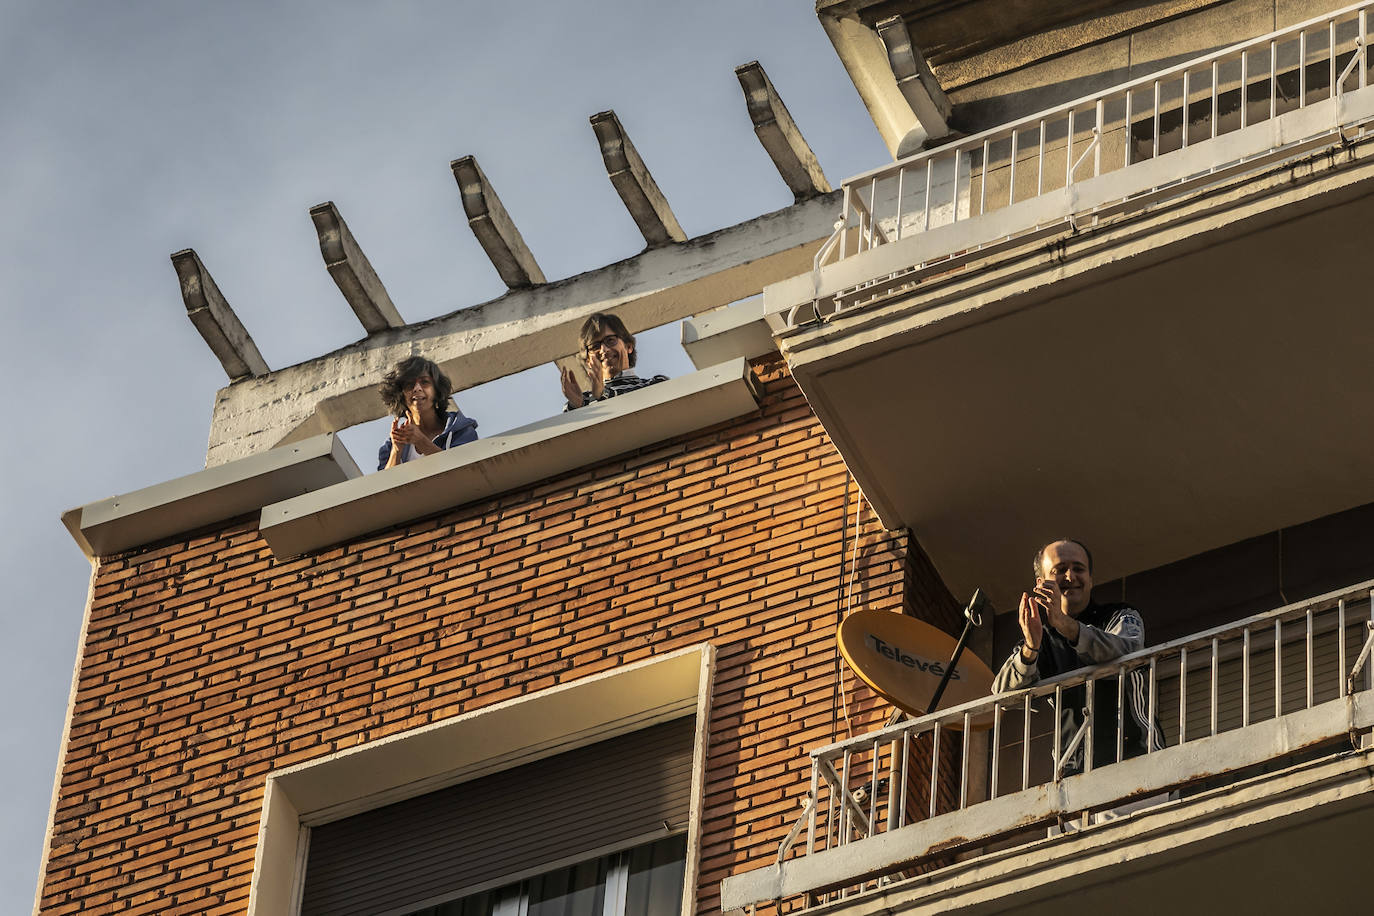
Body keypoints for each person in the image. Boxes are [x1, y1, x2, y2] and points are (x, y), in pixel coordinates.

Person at [993, 538, 1161, 774]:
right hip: (1074, 777)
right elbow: (1002, 696)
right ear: (1041, 584)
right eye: (1060, 570)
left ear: (1091, 580)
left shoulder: (1119, 615)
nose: (1070, 576)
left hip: (1136, 760)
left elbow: (1128, 653)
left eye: (1078, 569)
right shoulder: (1042, 640)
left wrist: (1067, 626)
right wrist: (1030, 649)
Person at [376, 356, 479, 470]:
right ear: (401, 395)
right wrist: (396, 450)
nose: (417, 388)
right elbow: (385, 485)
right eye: (410, 384)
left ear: (436, 390)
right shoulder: (390, 445)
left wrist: (421, 441)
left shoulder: (461, 430)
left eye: (424, 382)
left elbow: (466, 471)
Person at [560, 313, 667, 411]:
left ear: (629, 346)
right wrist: (578, 407)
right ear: (588, 360)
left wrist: (603, 394)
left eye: (610, 340)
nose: (604, 350)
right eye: (595, 346)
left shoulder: (653, 384)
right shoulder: (583, 401)